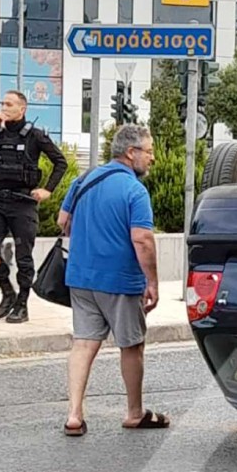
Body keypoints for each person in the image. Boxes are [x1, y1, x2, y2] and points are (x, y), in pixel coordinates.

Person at [57, 124, 168, 437]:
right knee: (131, 345)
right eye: (148, 151)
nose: (153, 158)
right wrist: (153, 282)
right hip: (120, 280)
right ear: (130, 153)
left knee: (83, 343)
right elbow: (143, 239)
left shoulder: (83, 180)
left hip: (80, 277)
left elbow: (62, 221)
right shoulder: (134, 190)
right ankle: (134, 412)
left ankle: (74, 415)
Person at [0, 89, 68, 324]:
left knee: (23, 258)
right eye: (3, 103)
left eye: (10, 104)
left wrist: (48, 190)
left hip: (23, 205)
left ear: (22, 109)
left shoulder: (35, 135)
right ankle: (6, 291)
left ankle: (22, 304)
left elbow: (59, 162)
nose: (4, 106)